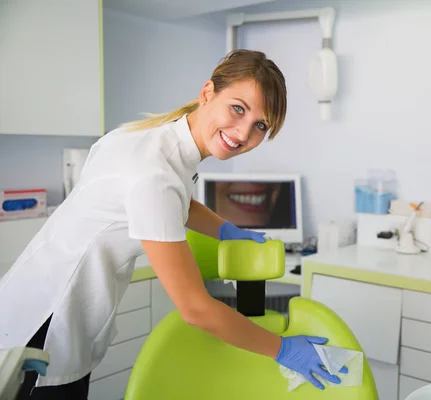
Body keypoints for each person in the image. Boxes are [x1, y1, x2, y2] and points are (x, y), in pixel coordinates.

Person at [0, 49, 345, 399]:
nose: (243, 133)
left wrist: (225, 229)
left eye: (260, 125)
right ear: (208, 92)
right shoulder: (154, 176)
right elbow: (196, 308)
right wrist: (283, 349)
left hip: (27, 299)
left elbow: (178, 200)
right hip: (45, 324)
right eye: (238, 109)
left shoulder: (150, 139)